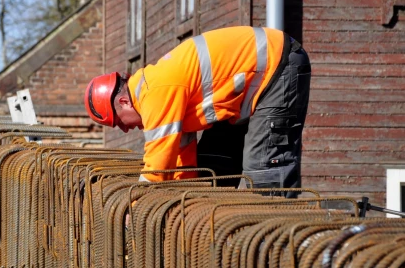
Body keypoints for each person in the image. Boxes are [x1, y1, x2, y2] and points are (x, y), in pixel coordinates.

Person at [84, 26, 311, 195]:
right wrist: (188, 196)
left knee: (262, 172)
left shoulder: (155, 91)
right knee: (212, 164)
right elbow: (183, 162)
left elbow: (157, 165)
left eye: (119, 122)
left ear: (124, 102)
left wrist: (133, 208)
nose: (124, 129)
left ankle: (273, 249)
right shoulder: (159, 94)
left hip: (278, 67)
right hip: (255, 84)